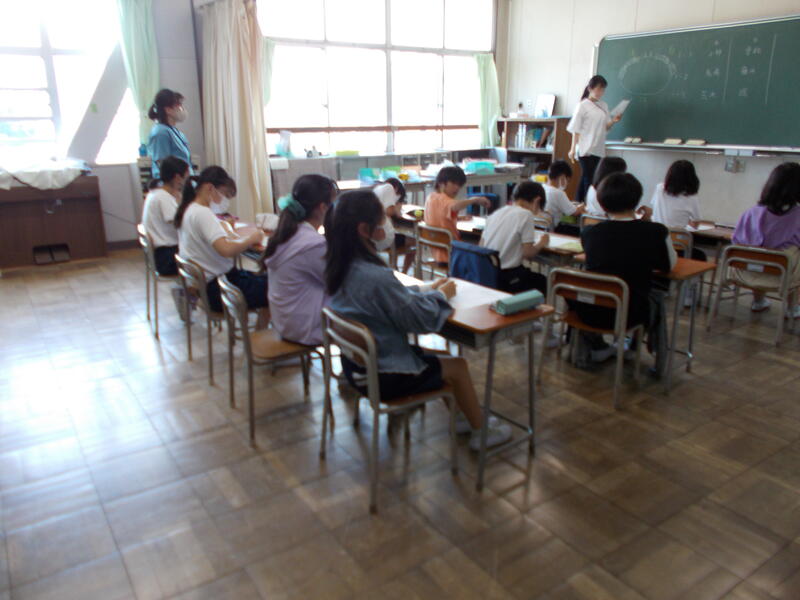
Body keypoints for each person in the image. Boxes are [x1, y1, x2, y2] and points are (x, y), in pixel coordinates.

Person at [326, 190, 512, 450]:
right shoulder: (374, 276)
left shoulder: (339, 265)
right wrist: (441, 295)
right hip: (384, 376)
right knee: (457, 366)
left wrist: (425, 289)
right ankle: (482, 433)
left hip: (356, 368)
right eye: (381, 221)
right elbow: (419, 319)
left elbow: (391, 299)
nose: (386, 226)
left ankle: (463, 417)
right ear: (363, 229)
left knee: (440, 357)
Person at [575, 172, 676, 362]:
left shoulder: (589, 233)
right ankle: (652, 356)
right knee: (656, 298)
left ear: (602, 203)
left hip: (590, 309)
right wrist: (648, 223)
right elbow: (668, 265)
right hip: (630, 313)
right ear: (637, 200)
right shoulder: (655, 232)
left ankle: (593, 348)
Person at [174, 166, 268, 314]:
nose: (224, 200)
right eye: (223, 194)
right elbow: (226, 250)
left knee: (268, 280)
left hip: (209, 285)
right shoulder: (203, 213)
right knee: (278, 287)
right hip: (219, 289)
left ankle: (259, 327)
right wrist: (251, 239)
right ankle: (262, 328)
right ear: (210, 188)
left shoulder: (190, 209)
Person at [263, 174, 337, 345]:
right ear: (322, 207)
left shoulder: (287, 232)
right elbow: (336, 282)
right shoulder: (312, 244)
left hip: (284, 321)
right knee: (364, 310)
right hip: (304, 327)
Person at [732, 162, 800, 318]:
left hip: (746, 273)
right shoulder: (797, 216)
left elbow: (736, 240)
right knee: (793, 256)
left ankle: (758, 300)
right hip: (783, 276)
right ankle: (792, 307)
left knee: (756, 253)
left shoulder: (751, 213)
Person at [480, 181, 549, 294]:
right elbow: (528, 254)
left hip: (487, 274)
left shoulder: (496, 213)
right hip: (507, 277)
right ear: (537, 201)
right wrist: (542, 242)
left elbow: (481, 246)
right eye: (539, 209)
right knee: (542, 281)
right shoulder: (526, 214)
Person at [567, 75, 622, 203]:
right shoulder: (582, 105)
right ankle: (588, 206)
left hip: (598, 148)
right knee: (590, 179)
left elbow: (605, 126)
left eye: (603, 90)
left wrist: (614, 121)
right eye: (598, 89)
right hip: (585, 148)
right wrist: (572, 149)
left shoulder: (604, 105)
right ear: (590, 88)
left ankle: (578, 203)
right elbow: (576, 129)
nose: (601, 92)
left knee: (586, 177)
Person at [424, 166, 491, 263]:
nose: (457, 188)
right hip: (453, 255)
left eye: (459, 185)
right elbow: (455, 206)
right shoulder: (443, 199)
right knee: (484, 245)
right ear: (442, 183)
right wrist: (475, 199)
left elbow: (439, 216)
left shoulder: (431, 197)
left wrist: (459, 218)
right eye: (454, 183)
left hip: (438, 252)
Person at [141, 156, 189, 276]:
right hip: (167, 258)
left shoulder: (155, 193)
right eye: (186, 177)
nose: (187, 182)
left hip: (160, 255)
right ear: (177, 177)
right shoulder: (163, 198)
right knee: (208, 258)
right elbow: (181, 224)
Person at [651, 159, 706, 261]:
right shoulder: (691, 196)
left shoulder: (659, 188)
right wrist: (686, 220)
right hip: (678, 245)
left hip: (656, 240)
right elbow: (696, 224)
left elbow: (654, 207)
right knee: (701, 255)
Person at [147, 89, 192, 180]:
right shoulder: (160, 133)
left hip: (184, 181)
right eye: (178, 105)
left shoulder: (173, 131)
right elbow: (163, 166)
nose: (182, 109)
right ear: (168, 110)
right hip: (172, 184)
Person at [373, 177, 415, 273]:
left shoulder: (377, 189)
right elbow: (390, 211)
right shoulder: (389, 187)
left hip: (375, 236)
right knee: (414, 242)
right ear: (396, 189)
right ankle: (404, 272)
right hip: (385, 236)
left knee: (397, 237)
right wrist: (397, 208)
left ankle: (394, 268)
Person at [541, 160, 585, 234]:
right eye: (568, 180)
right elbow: (574, 212)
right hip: (552, 229)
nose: (567, 184)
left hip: (539, 226)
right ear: (562, 177)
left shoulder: (542, 187)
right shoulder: (559, 193)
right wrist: (582, 206)